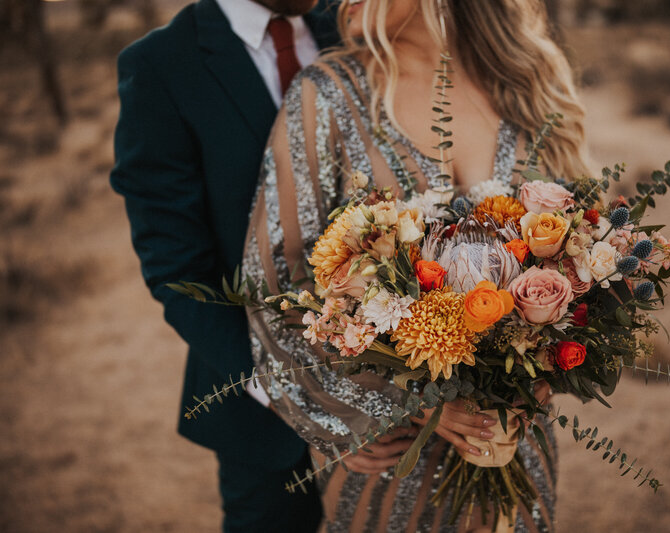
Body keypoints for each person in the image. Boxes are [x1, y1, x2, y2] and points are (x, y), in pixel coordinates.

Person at [244, 0, 589, 530]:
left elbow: (583, 255)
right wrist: (402, 403)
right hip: (389, 458)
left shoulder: (521, 84)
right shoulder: (329, 93)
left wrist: (539, 371)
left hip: (516, 442)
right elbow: (273, 282)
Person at [110, 0, 339, 531]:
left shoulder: (351, 32)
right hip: (262, 414)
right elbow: (176, 267)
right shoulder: (162, 65)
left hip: (401, 400)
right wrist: (290, 388)